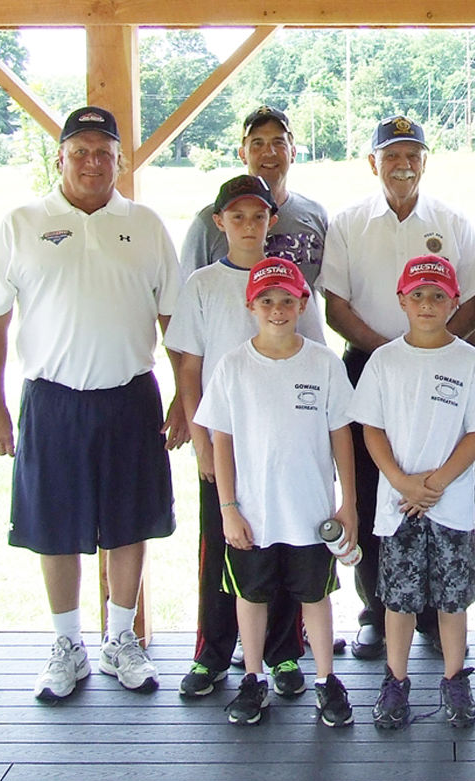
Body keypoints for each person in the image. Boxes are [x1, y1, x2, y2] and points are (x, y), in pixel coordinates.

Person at [0, 106, 187, 700]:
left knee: (129, 523)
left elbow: (172, 318)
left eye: (105, 152)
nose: (93, 162)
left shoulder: (145, 225)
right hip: (51, 400)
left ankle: (121, 639)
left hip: (130, 396)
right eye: (81, 151)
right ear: (60, 157)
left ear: (121, 160)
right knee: (54, 528)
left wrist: (181, 396)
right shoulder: (21, 223)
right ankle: (66, 646)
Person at [319, 115, 475, 660]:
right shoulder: (347, 223)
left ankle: (438, 615)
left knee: (439, 483)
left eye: (413, 153)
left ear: (425, 161)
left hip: (444, 367)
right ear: (373, 163)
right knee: (373, 488)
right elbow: (335, 304)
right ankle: (376, 607)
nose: (403, 163)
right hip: (370, 364)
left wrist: (433, 344)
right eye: (391, 154)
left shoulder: (452, 220)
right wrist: (393, 351)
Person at [180, 105, 320, 673]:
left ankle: (284, 653)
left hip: (283, 439)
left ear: (270, 219)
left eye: (257, 215)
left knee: (284, 545)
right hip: (225, 441)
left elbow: (314, 356)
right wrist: (198, 437)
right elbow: (187, 366)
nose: (247, 224)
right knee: (222, 543)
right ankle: (213, 653)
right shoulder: (203, 285)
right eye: (236, 215)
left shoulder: (289, 280)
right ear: (220, 221)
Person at [194, 258, 357, 726]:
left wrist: (348, 503)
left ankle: (326, 681)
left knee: (316, 596)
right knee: (252, 595)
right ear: (251, 306)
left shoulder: (323, 362)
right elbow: (220, 439)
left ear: (303, 303)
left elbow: (340, 434)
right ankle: (253, 678)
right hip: (254, 513)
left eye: (287, 300)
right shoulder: (233, 366)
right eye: (267, 301)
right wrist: (228, 508)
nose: (278, 309)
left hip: (310, 511)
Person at [347, 256, 475, 729]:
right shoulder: (384, 360)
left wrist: (435, 483)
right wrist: (399, 479)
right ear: (401, 300)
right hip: (398, 509)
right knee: (398, 603)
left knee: (451, 604)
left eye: (438, 295)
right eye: (417, 295)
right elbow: (369, 428)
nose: (428, 304)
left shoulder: (467, 359)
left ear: (455, 301)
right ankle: (396, 683)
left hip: (450, 508)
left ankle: (456, 680)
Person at [180, 105, 327, 343]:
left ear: (292, 151)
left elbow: (330, 291)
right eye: (257, 143)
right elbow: (187, 307)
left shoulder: (315, 215)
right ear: (242, 153)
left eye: (278, 142)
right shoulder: (209, 222)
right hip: (231, 361)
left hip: (300, 358)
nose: (269, 152)